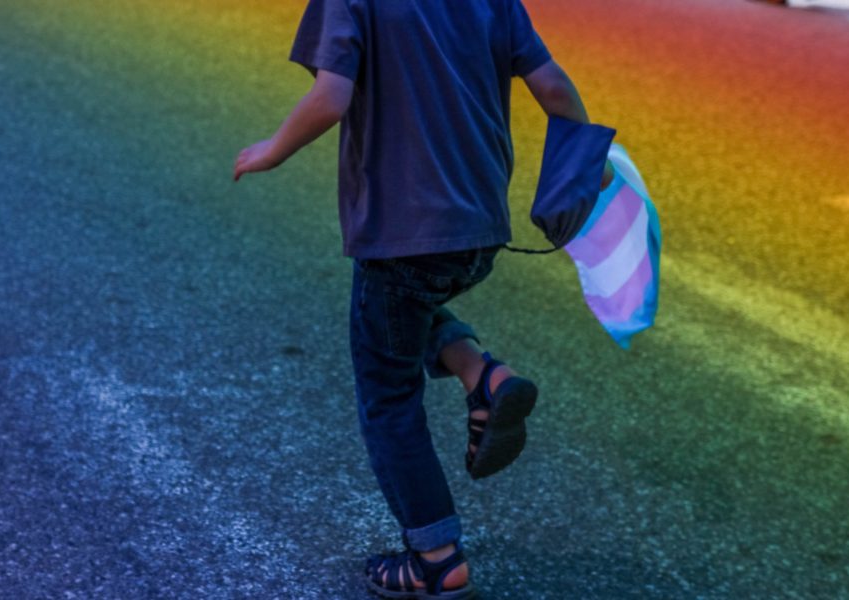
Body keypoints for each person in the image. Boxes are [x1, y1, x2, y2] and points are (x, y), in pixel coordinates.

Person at [234, 1, 609, 597]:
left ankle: (436, 556)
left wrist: (271, 150)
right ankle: (481, 374)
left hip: (402, 232)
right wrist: (578, 175)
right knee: (397, 318)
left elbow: (331, 97)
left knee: (387, 392)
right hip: (480, 230)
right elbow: (556, 89)